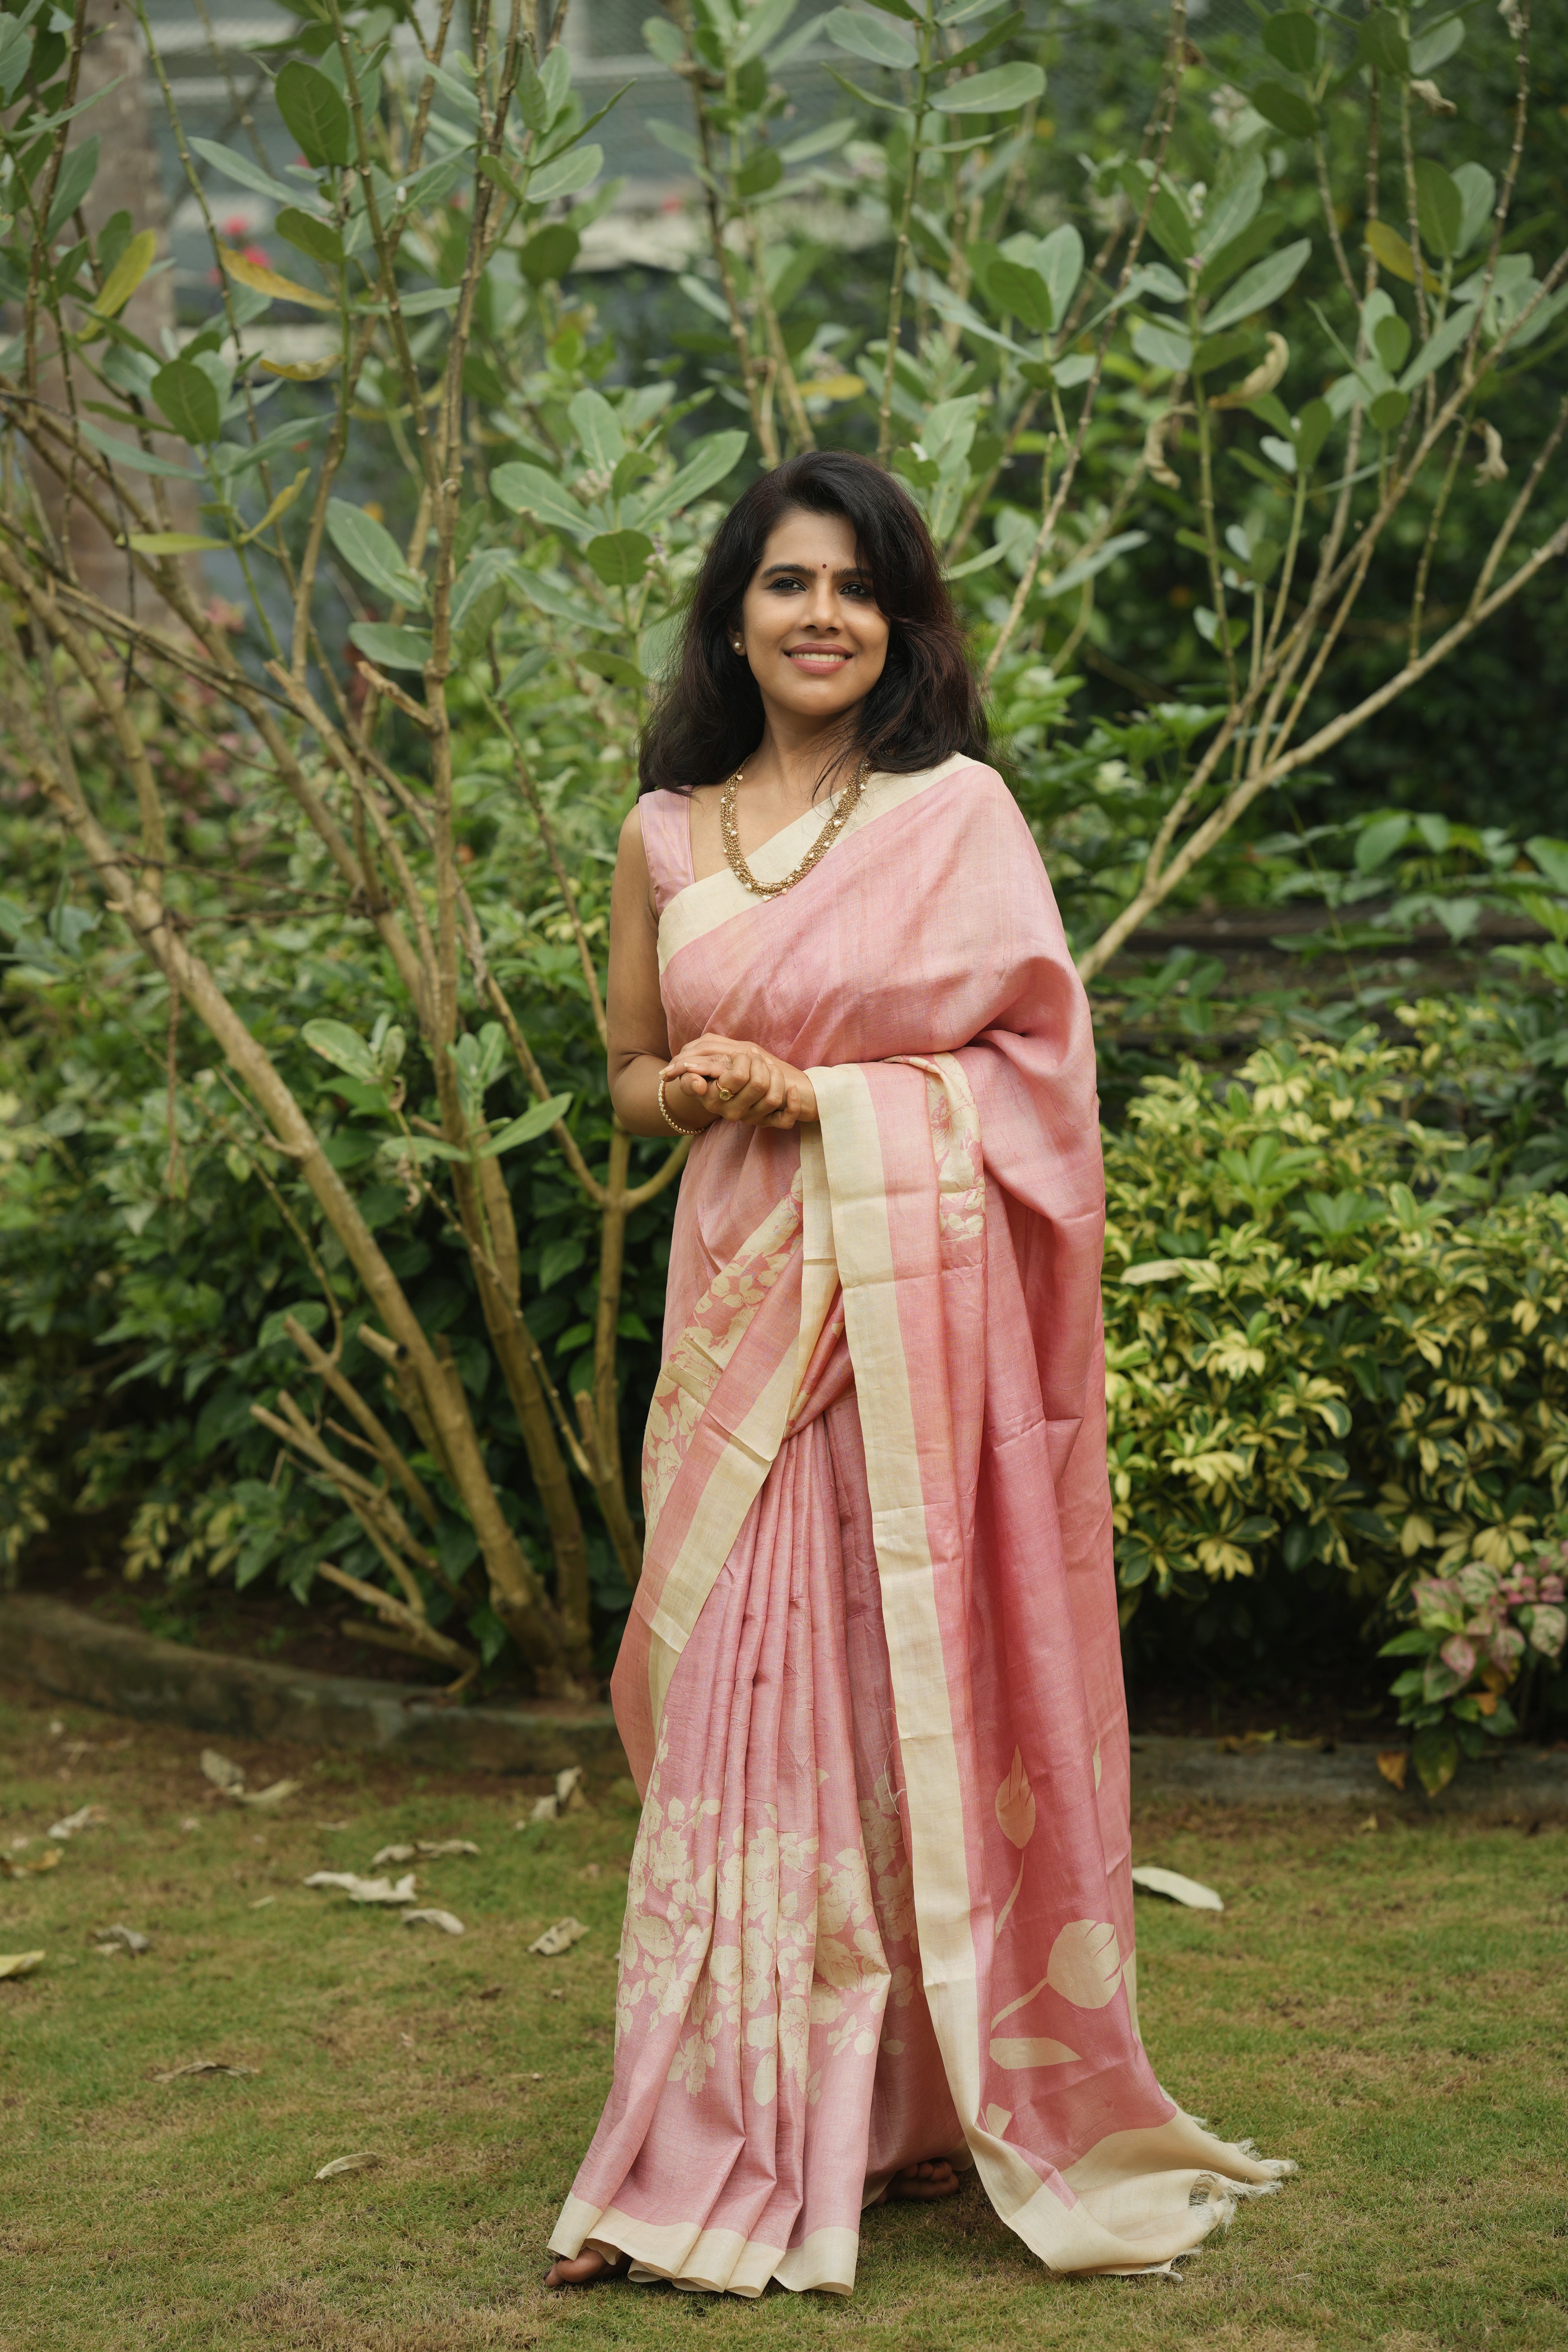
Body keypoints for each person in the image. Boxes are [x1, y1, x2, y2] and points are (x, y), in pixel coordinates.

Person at [544, 451, 1288, 2297]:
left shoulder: (954, 815)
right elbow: (632, 1073)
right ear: (733, 610)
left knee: (888, 1716)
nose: (822, 616)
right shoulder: (662, 834)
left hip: (900, 1335)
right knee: (731, 1705)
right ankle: (708, 2124)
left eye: (857, 587)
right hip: (740, 1316)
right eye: (788, 582)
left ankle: (896, 2112)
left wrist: (834, 1099)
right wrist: (700, 1092)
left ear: (899, 623)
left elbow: (1037, 1074)